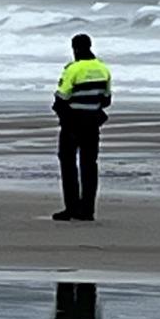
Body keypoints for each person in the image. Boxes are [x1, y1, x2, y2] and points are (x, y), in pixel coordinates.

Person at [52, 34, 112, 221]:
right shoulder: (103, 69)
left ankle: (71, 207)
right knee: (89, 164)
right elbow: (106, 99)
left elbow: (62, 97)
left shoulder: (73, 69)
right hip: (92, 124)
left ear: (75, 49)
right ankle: (88, 210)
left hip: (72, 123)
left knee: (68, 163)